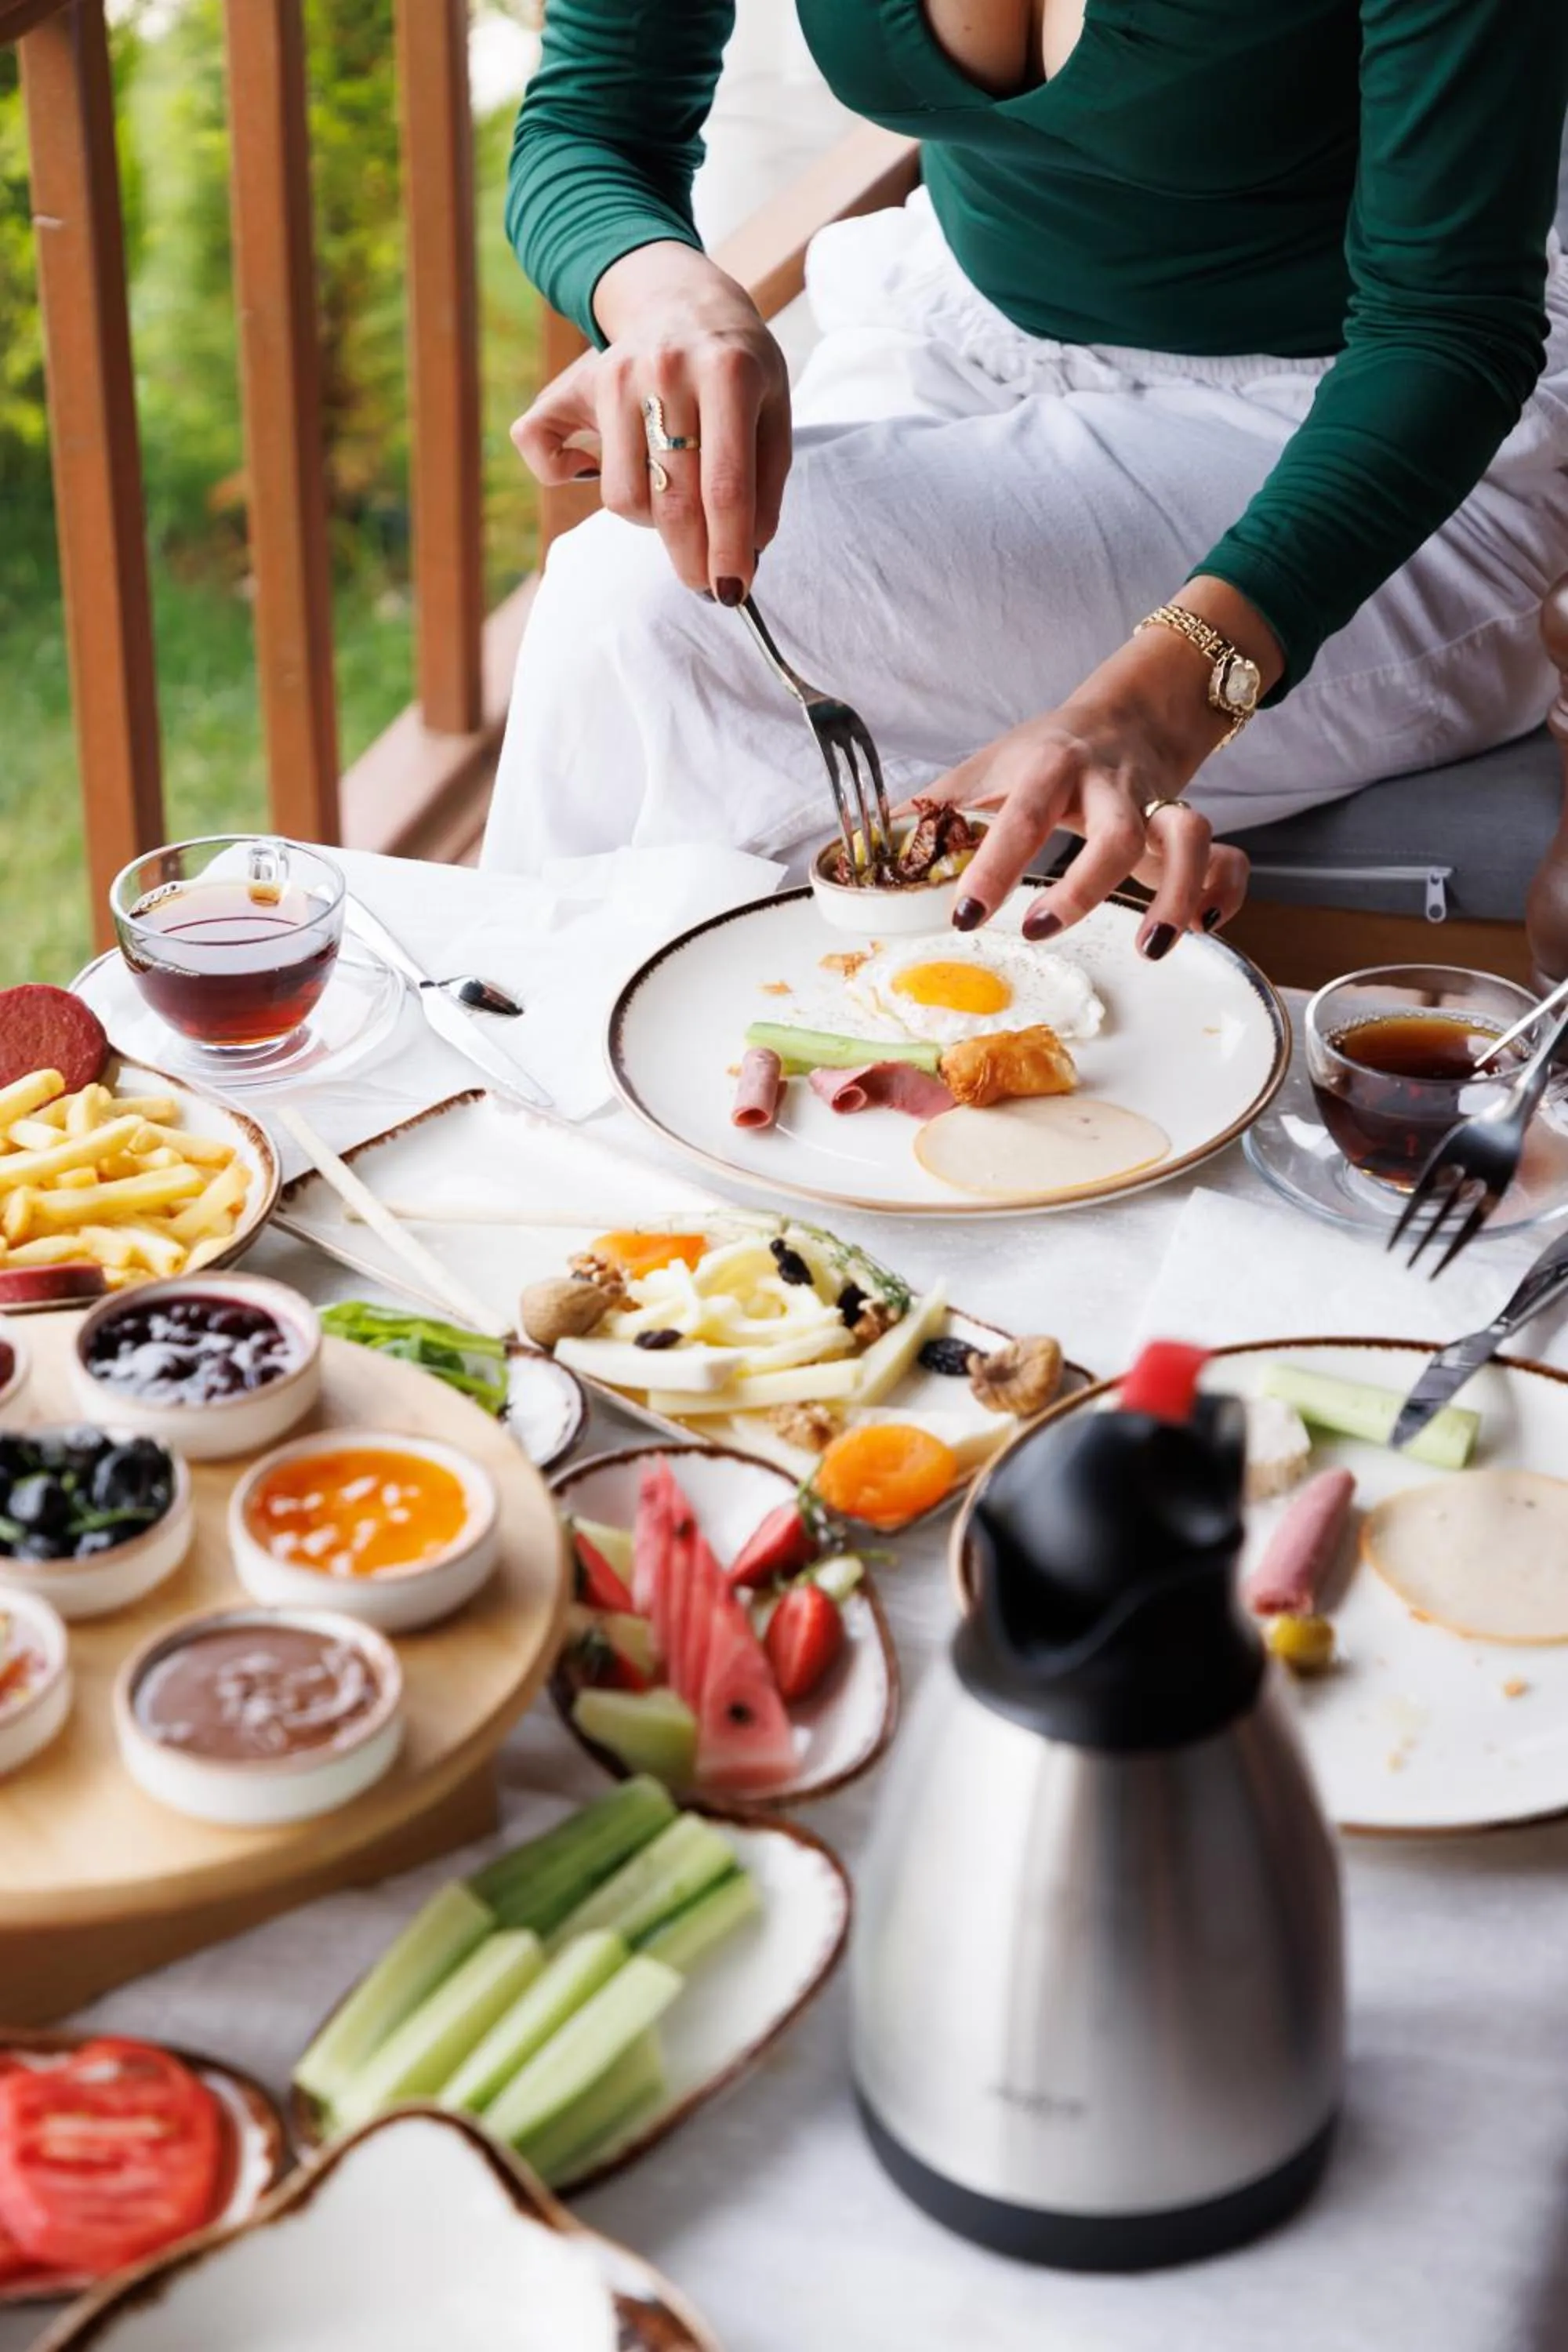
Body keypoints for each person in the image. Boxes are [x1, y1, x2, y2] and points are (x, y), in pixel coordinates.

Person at [483, 0, 1568, 959]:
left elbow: (1448, 329)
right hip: (957, 335)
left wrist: (1156, 706)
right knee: (684, 672)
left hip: (1368, 438)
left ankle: (540, 1116)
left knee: (633, 624)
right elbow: (590, 124)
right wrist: (671, 297)